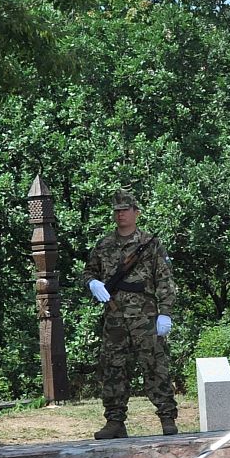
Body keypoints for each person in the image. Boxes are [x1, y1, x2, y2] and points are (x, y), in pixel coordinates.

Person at [83, 186, 178, 439]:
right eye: (117, 211)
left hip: (145, 317)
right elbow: (88, 272)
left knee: (155, 367)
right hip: (114, 318)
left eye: (125, 210)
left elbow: (165, 280)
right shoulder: (104, 245)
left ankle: (167, 417)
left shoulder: (150, 244)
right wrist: (93, 283)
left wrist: (165, 312)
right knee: (113, 369)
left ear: (136, 212)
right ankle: (114, 421)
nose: (120, 214)